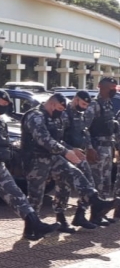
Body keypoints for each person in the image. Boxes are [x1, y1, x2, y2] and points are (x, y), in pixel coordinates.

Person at [0, 89, 59, 249]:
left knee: (17, 195)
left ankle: (35, 224)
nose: (4, 107)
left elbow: (4, 145)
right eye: (2, 104)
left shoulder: (1, 122)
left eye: (6, 104)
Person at [21, 92, 114, 237]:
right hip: (35, 160)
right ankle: (29, 229)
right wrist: (66, 151)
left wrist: (71, 149)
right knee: (36, 196)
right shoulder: (35, 116)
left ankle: (95, 200)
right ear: (52, 104)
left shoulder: (55, 117)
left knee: (74, 173)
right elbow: (44, 139)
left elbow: (57, 139)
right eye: (58, 108)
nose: (60, 112)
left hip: (52, 157)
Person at [52, 90, 97, 232]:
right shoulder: (64, 114)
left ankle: (80, 215)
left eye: (86, 105)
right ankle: (61, 219)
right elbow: (57, 138)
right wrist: (71, 149)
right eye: (82, 104)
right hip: (65, 156)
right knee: (63, 187)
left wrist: (89, 148)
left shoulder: (80, 114)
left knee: (89, 184)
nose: (84, 107)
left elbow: (85, 132)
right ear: (76, 100)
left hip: (79, 156)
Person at [85, 77, 118, 224]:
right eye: (110, 88)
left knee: (106, 183)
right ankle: (93, 215)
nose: (112, 91)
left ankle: (100, 214)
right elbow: (84, 129)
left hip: (108, 147)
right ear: (100, 87)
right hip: (97, 148)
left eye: (114, 88)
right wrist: (89, 149)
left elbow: (112, 128)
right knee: (96, 183)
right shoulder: (94, 105)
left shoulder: (109, 104)